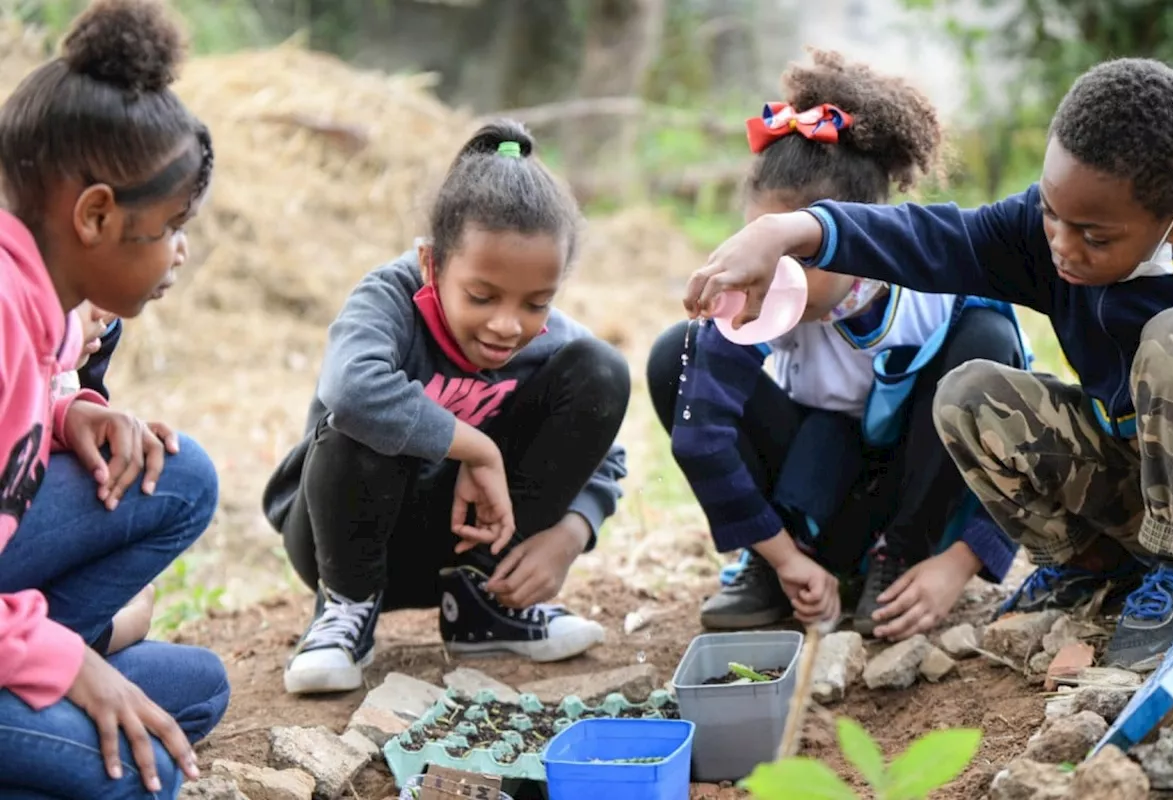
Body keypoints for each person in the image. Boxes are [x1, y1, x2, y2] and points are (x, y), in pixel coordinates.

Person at [684, 56, 1173, 671]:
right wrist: (793, 232)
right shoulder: (1045, 236)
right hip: (1137, 486)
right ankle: (1093, 569)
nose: (1062, 246)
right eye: (1051, 212)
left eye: (1094, 237)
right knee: (968, 393)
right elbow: (936, 238)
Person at [648, 50, 1026, 639]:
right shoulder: (759, 298)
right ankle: (784, 565)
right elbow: (700, 434)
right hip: (818, 482)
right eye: (761, 244)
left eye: (795, 250)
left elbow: (1022, 449)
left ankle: (897, 562)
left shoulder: (939, 287)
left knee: (987, 343)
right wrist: (781, 556)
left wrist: (957, 564)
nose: (773, 272)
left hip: (915, 496)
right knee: (679, 355)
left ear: (859, 234)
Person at [263, 120, 630, 695]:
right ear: (432, 264)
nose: (508, 325)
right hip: (344, 538)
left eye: (537, 301)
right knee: (366, 423)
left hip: (465, 547)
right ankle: (343, 616)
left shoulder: (548, 340)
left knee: (601, 369)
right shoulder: (389, 300)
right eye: (481, 297)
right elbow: (352, 389)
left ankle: (482, 608)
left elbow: (605, 453)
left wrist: (572, 533)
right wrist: (475, 447)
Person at [0, 1, 228, 797]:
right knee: (148, 771)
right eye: (169, 224)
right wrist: (73, 669)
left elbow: (27, 398)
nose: (179, 248)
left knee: (195, 685)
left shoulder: (38, 304)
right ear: (95, 214)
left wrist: (70, 411)